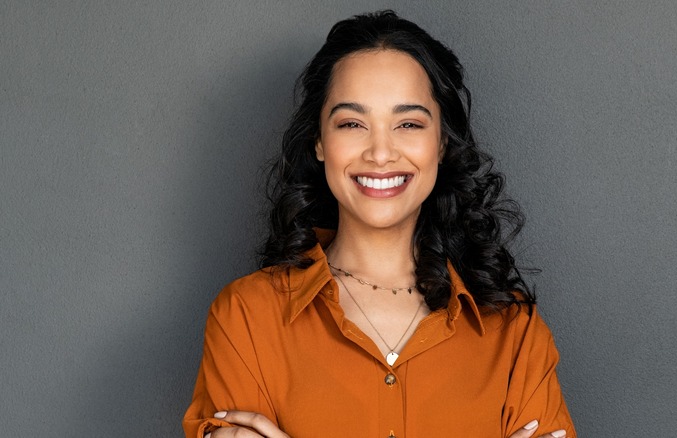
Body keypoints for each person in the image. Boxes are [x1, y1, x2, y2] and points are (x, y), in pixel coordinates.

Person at [183, 10, 576, 438]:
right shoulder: (245, 319)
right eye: (352, 123)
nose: (381, 153)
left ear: (442, 141)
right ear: (319, 140)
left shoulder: (515, 332)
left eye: (408, 123)